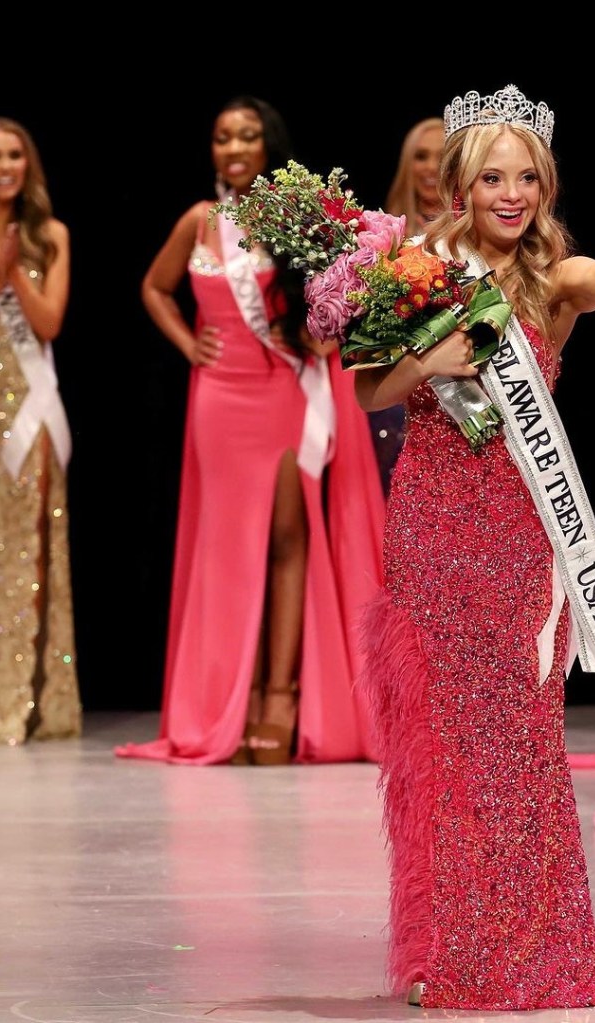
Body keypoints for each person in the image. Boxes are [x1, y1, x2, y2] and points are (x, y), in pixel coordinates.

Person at [354, 84, 595, 1010]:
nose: (510, 195)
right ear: (462, 186)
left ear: (544, 188)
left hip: (520, 536)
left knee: (518, 743)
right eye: (493, 179)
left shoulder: (551, 280)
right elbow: (366, 391)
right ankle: (455, 947)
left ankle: (526, 947)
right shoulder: (418, 270)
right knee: (451, 742)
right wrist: (432, 361)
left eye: (527, 179)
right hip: (433, 527)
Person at [116, 96, 385, 766]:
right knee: (225, 548)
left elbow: (342, 290)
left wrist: (322, 333)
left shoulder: (294, 215)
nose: (233, 149)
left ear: (268, 147)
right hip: (217, 398)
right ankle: (222, 705)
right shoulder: (199, 221)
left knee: (288, 539)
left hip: (282, 392)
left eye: (246, 137)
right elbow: (154, 287)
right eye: (221, 138)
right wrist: (188, 344)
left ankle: (281, 697)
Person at [0, 118, 81, 745]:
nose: (5, 166)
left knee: (27, 552)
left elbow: (49, 323)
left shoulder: (49, 236)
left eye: (14, 155)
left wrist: (13, 273)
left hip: (26, 410)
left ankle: (21, 698)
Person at [368, 117, 447, 498]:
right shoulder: (380, 238)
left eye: (442, 157)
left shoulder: (479, 239)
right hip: (393, 394)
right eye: (421, 156)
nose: (431, 167)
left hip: (454, 398)